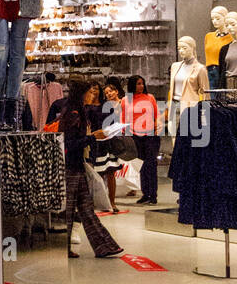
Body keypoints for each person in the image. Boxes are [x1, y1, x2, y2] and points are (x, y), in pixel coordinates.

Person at [57, 78, 124, 260]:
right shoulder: (74, 114)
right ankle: (65, 247)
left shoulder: (76, 112)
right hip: (71, 167)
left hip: (76, 166)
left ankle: (104, 245)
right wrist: (93, 137)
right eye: (89, 92)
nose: (92, 95)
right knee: (72, 210)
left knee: (84, 209)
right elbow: (69, 143)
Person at [122, 74, 161, 206]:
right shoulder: (126, 100)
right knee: (141, 166)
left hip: (150, 135)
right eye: (138, 83)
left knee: (151, 164)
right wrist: (125, 135)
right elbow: (124, 119)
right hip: (134, 135)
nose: (141, 86)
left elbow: (157, 116)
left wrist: (157, 130)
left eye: (142, 83)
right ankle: (145, 193)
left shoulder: (150, 98)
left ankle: (153, 194)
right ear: (133, 85)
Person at [98, 78, 127, 213]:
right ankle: (103, 201)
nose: (108, 94)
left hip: (115, 137)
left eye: (110, 91)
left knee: (111, 171)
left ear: (116, 91)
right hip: (104, 139)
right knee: (102, 172)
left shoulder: (123, 103)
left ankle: (112, 201)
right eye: (106, 93)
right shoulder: (103, 106)